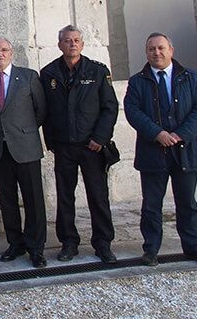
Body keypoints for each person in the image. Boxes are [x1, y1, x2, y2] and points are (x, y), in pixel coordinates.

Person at [123, 32, 197, 267]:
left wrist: (180, 133)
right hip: (153, 151)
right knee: (151, 205)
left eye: (161, 48)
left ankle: (193, 248)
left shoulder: (190, 78)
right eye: (152, 49)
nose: (157, 52)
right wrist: (157, 134)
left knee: (187, 203)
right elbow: (132, 111)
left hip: (185, 149)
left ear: (171, 50)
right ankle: (151, 250)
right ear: (146, 53)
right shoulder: (137, 81)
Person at [40, 25, 118, 264]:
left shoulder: (97, 71)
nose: (71, 44)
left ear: (82, 45)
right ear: (59, 44)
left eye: (76, 40)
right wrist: (52, 142)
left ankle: (103, 244)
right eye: (66, 40)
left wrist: (100, 138)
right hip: (64, 147)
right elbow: (45, 111)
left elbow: (109, 107)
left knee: (98, 196)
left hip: (91, 146)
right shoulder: (49, 73)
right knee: (65, 197)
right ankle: (69, 243)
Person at [0, 36, 48, 268]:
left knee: (33, 199)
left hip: (25, 147)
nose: (0, 54)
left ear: (11, 52)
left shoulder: (28, 77)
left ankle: (36, 247)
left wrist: (23, 132)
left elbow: (41, 111)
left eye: (4, 50)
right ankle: (15, 243)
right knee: (7, 199)